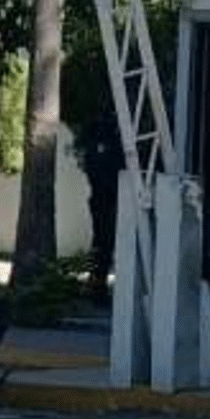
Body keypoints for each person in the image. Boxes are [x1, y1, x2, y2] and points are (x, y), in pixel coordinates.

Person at [81, 108, 125, 306]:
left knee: (103, 242)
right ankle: (97, 284)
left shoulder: (99, 145)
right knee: (104, 242)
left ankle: (97, 283)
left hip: (105, 197)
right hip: (106, 198)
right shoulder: (105, 144)